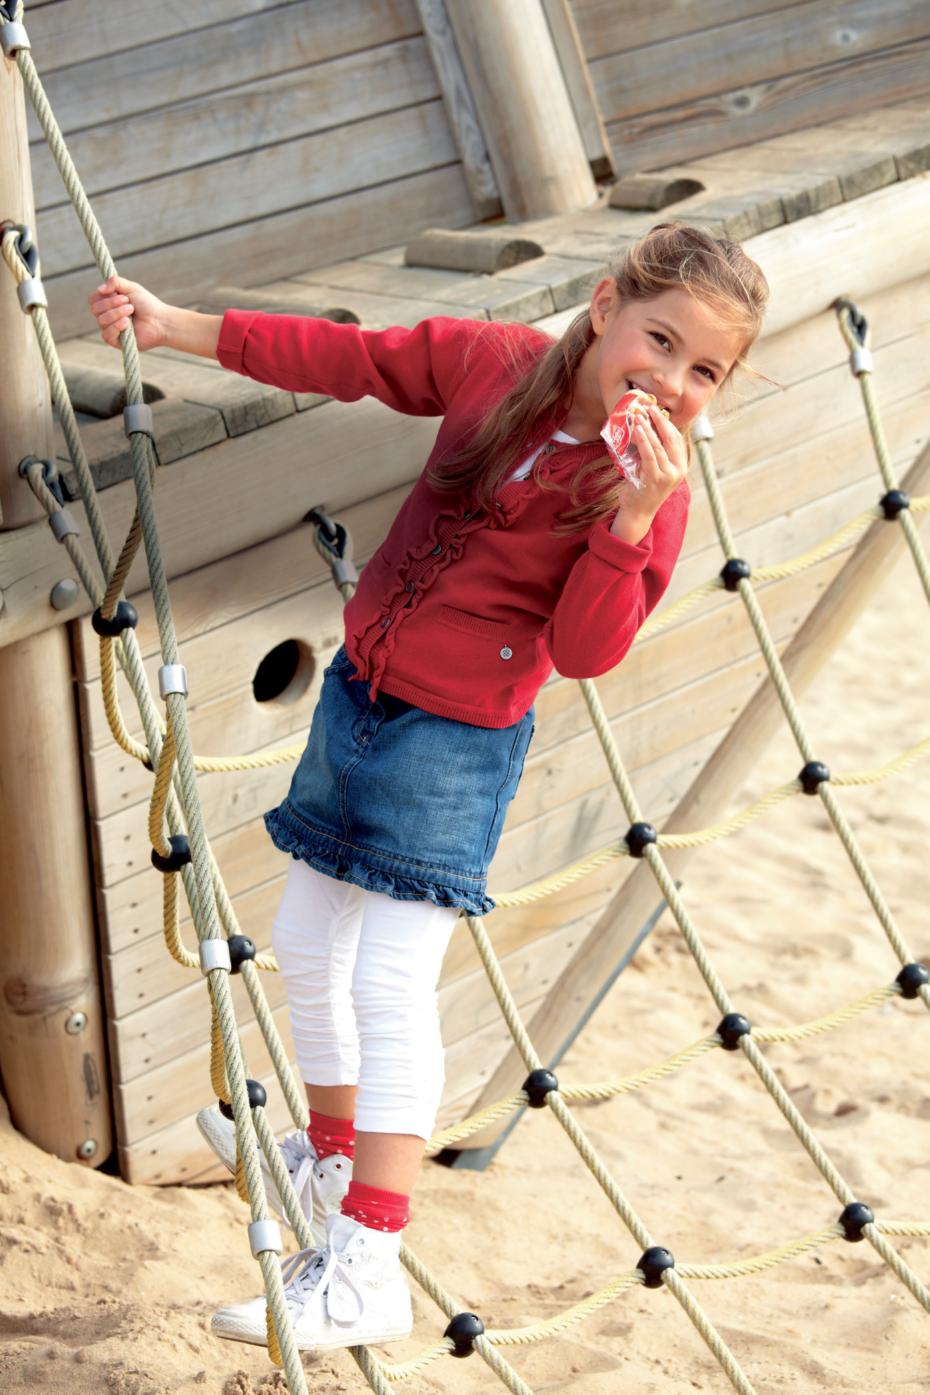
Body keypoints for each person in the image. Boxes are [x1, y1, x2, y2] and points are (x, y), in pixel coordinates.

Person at [89, 223, 768, 1352]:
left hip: (455, 748)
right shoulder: (495, 365)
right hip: (358, 698)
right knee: (305, 940)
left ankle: (370, 1262)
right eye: (661, 341)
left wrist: (632, 520)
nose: (673, 380)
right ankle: (330, 1164)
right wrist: (180, 328)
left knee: (389, 982)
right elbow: (352, 357)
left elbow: (586, 651)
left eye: (706, 370)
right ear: (606, 308)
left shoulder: (652, 496)